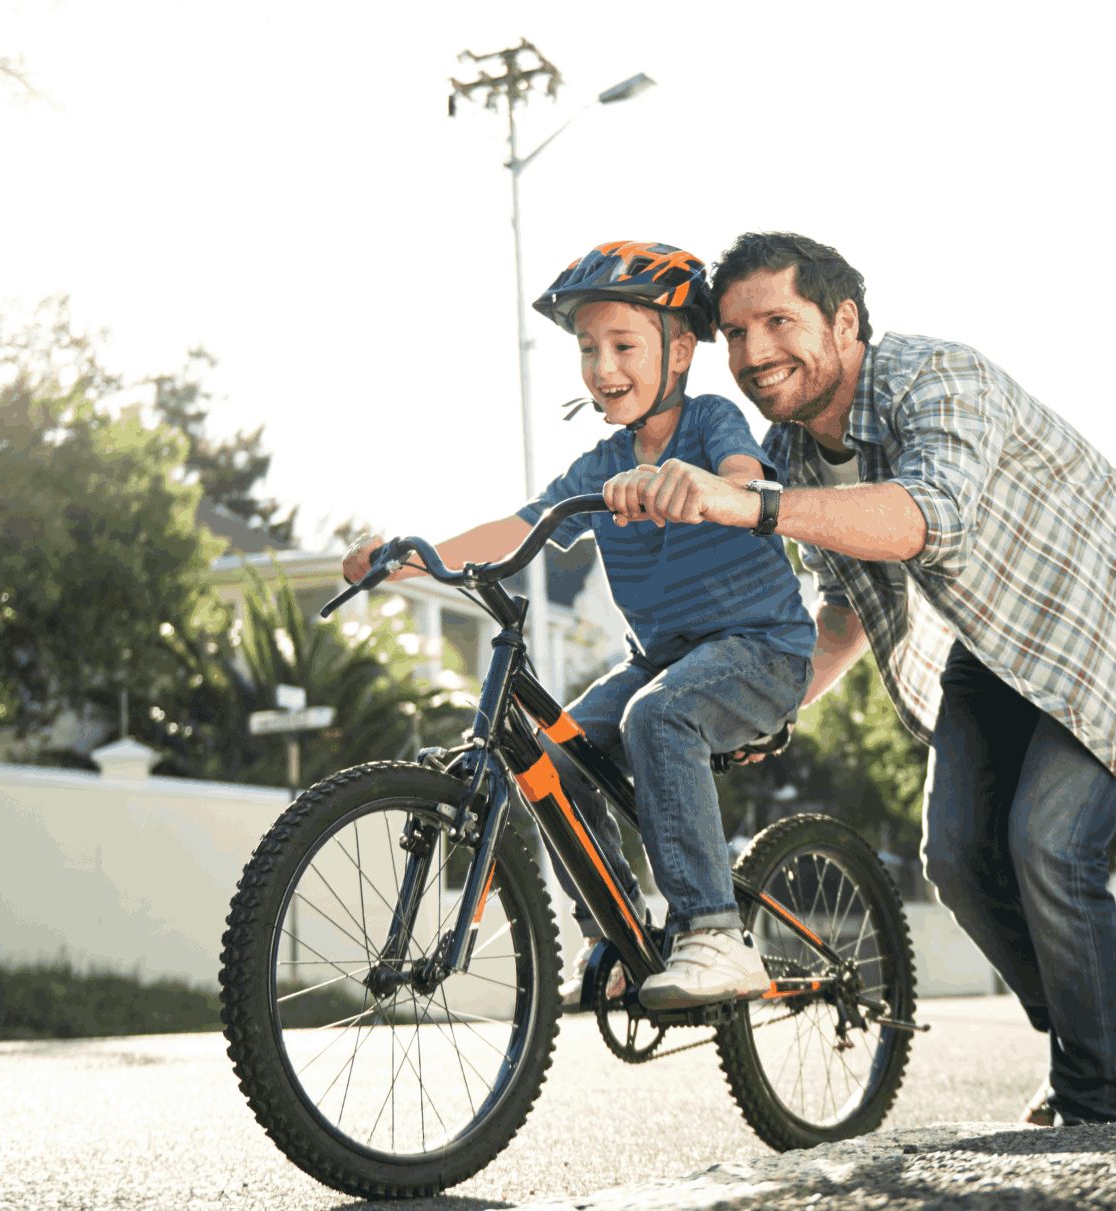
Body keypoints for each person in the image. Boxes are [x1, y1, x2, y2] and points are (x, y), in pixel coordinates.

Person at [603, 231, 1116, 1125]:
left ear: (844, 320)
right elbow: (839, 610)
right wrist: (766, 705)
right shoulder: (793, 449)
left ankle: (1095, 1098)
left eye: (778, 321)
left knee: (1048, 843)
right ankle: (1092, 1028)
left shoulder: (936, 377)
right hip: (991, 641)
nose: (755, 351)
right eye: (735, 330)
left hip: (1098, 613)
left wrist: (745, 502)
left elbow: (928, 520)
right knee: (953, 855)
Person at [341, 240, 817, 1010]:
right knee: (556, 756)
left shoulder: (710, 420)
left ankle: (714, 931)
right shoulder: (599, 465)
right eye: (588, 349)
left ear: (681, 349)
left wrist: (699, 485)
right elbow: (523, 525)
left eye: (623, 345)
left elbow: (746, 479)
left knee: (656, 715)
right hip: (664, 656)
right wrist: (414, 559)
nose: (602, 367)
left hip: (762, 648)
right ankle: (618, 932)